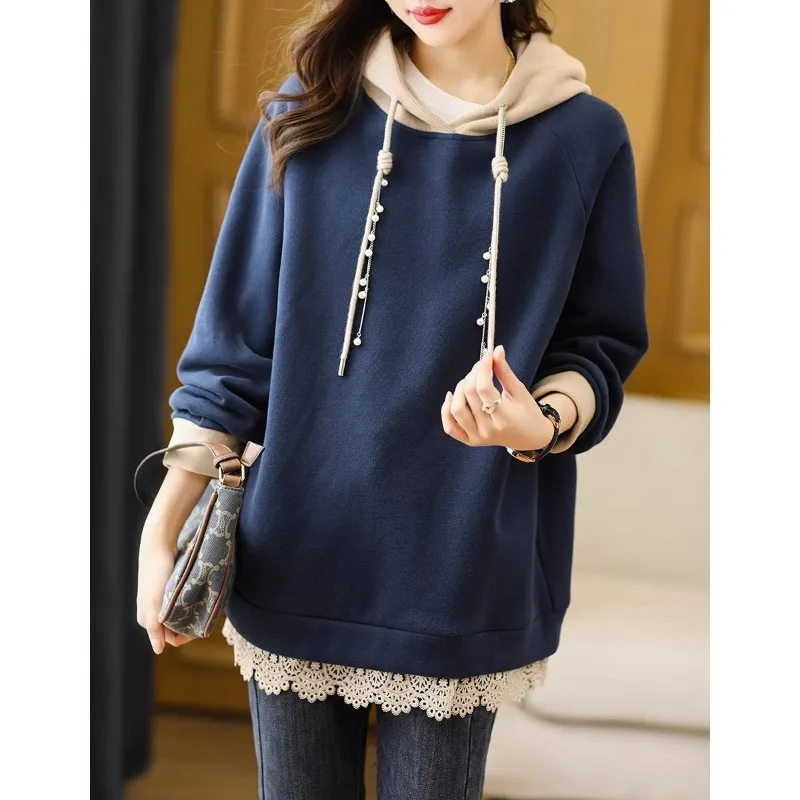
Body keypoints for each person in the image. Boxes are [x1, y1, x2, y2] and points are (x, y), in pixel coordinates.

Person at [137, 1, 649, 798]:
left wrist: (539, 423)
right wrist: (163, 525)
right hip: (299, 550)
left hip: (463, 569)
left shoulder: (583, 137)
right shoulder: (311, 107)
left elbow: (599, 343)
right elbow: (233, 352)